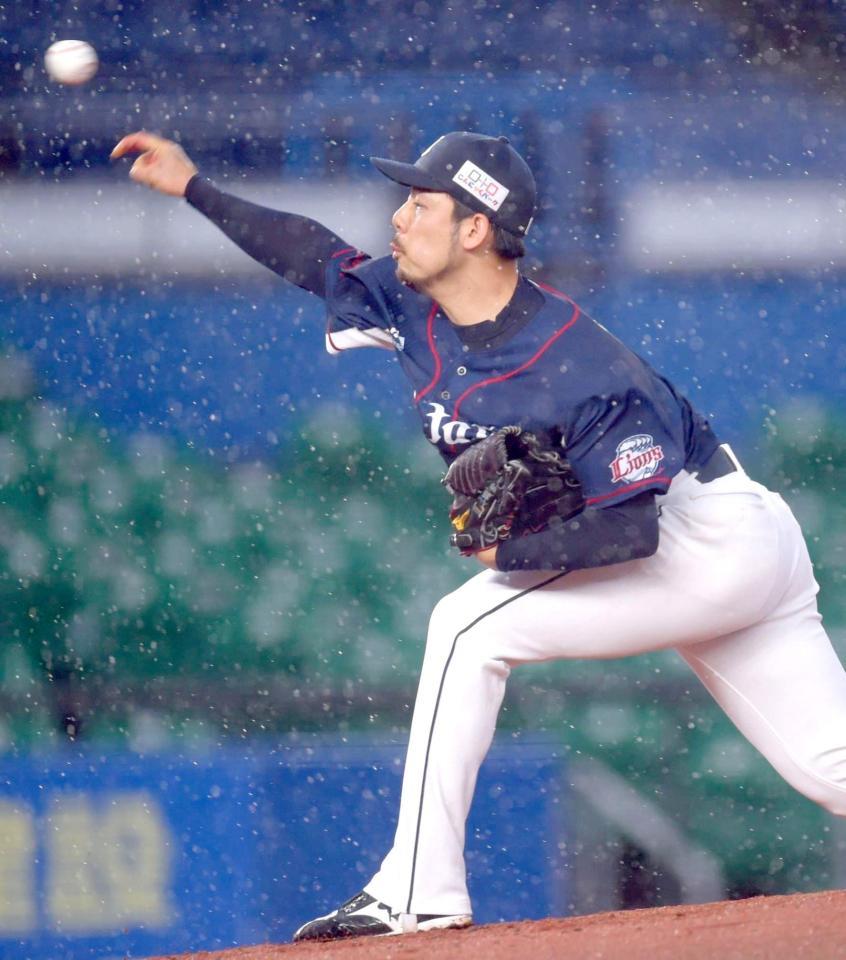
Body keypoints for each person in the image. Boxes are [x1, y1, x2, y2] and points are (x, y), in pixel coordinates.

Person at [112, 129, 846, 942]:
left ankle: (419, 889)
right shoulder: (409, 302)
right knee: (829, 766)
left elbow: (633, 528)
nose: (399, 216)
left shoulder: (581, 363)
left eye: (421, 202)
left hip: (708, 537)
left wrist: (515, 554)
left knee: (464, 626)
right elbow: (311, 254)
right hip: (724, 548)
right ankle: (420, 886)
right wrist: (194, 186)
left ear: (474, 229)